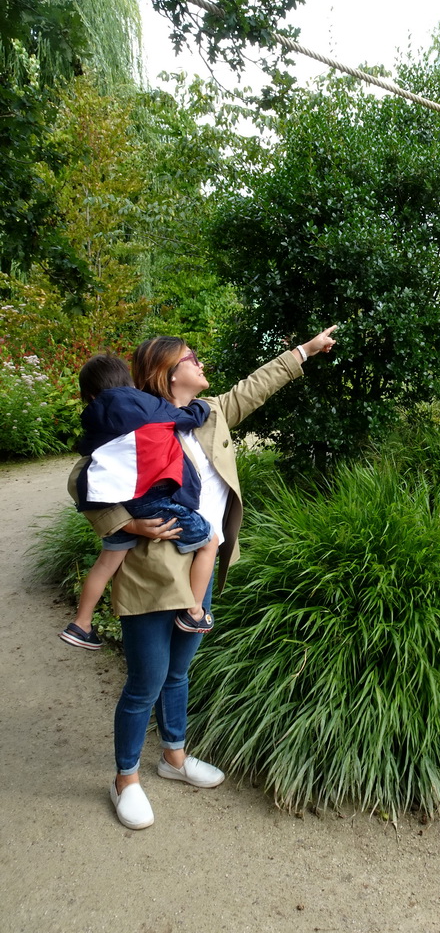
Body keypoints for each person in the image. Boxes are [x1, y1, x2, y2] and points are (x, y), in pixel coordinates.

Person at [68, 327, 337, 830]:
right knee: (145, 682)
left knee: (178, 673)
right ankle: (125, 778)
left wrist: (307, 349)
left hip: (201, 569)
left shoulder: (210, 414)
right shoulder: (136, 417)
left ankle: (173, 758)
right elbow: (82, 473)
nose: (200, 362)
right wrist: (124, 522)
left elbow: (258, 384)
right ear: (166, 372)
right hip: (150, 573)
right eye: (191, 358)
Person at [59, 353, 218, 650]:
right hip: (152, 500)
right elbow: (188, 418)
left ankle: (80, 624)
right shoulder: (149, 405)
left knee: (106, 563)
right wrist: (200, 405)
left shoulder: (93, 418)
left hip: (115, 503)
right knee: (210, 541)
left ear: (90, 394)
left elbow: (88, 460)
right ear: (129, 382)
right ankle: (195, 612)